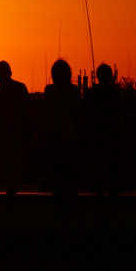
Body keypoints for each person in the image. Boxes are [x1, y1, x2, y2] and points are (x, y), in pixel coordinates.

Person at [0, 60, 29, 196]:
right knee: (15, 169)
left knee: (5, 168)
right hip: (17, 136)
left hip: (2, 137)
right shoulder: (21, 88)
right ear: (10, 72)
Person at [42, 58, 82, 199]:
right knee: (70, 176)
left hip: (53, 138)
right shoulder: (74, 91)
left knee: (56, 177)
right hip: (70, 137)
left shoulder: (49, 91)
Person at [85, 63, 124, 196]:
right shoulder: (116, 93)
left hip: (97, 136)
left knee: (99, 169)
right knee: (112, 168)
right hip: (113, 135)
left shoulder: (92, 93)